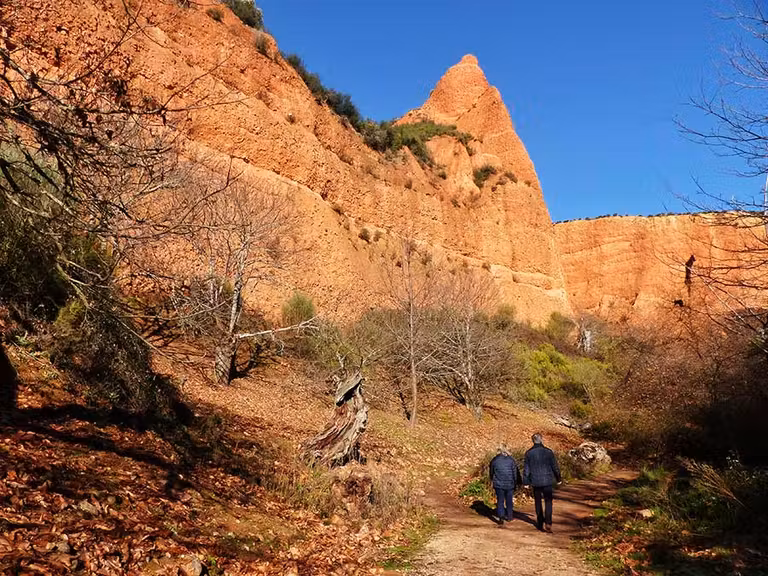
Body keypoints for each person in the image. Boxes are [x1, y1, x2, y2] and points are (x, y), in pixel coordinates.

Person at [523, 433, 561, 532]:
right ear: (541, 439)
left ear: (533, 441)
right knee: (548, 502)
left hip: (535, 481)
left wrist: (526, 482)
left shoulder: (529, 453)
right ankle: (548, 522)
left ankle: (540, 522)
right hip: (547, 480)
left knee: (538, 502)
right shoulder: (548, 452)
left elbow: (526, 469)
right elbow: (555, 467)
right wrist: (559, 478)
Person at [489, 444, 519, 526]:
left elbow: (491, 472)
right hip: (510, 484)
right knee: (509, 500)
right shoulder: (511, 460)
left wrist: (492, 479)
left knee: (500, 500)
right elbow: (515, 473)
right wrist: (516, 482)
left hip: (498, 484)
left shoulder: (494, 460)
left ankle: (501, 517)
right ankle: (509, 516)